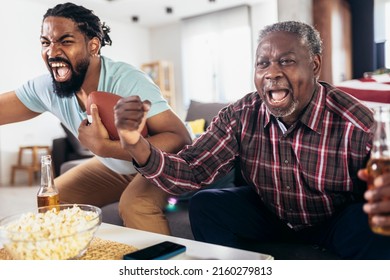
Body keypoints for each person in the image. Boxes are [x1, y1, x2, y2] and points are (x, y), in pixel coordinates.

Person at [114, 21, 390, 259]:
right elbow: (192, 170)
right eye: (262, 63)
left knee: (374, 223)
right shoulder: (241, 114)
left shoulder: (357, 122)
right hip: (271, 212)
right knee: (206, 205)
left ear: (314, 64)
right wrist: (135, 143)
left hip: (334, 219)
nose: (271, 73)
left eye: (286, 61)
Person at [0, 2, 192, 235]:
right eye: (45, 42)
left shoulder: (126, 80)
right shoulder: (47, 88)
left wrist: (107, 147)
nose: (52, 51)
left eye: (65, 41)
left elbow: (180, 139)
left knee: (135, 204)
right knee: (56, 195)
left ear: (93, 45)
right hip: (122, 168)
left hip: (167, 165)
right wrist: (109, 151)